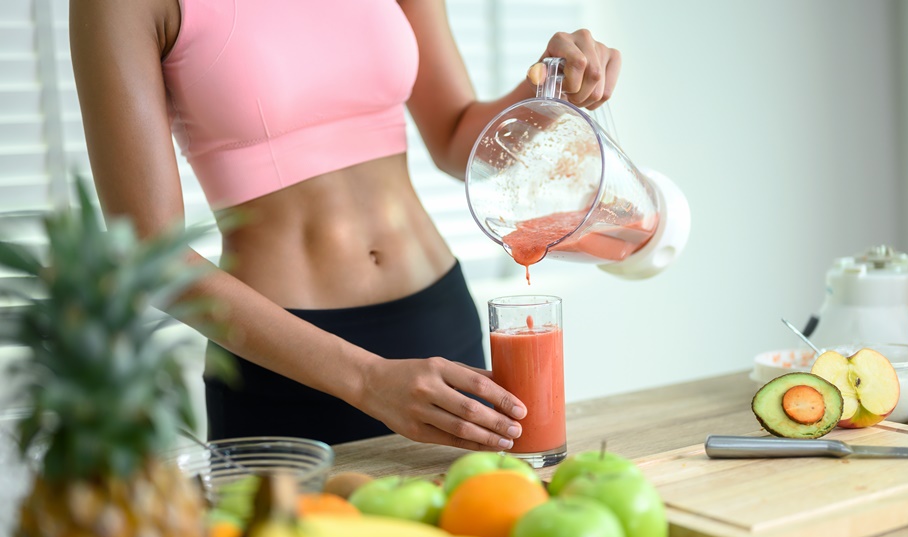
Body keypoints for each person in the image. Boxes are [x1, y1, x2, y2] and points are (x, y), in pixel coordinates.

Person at [69, 0, 621, 450]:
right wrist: (366, 379)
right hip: (285, 367)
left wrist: (551, 84)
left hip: (437, 331)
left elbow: (457, 136)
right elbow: (151, 253)